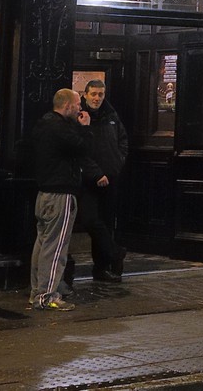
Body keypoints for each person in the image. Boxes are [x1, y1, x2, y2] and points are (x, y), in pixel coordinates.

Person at [28, 88, 107, 312]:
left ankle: (36, 291)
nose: (80, 108)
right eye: (77, 104)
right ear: (67, 106)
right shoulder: (60, 128)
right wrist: (86, 128)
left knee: (42, 243)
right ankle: (46, 295)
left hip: (44, 193)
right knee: (56, 248)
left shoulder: (44, 124)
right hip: (61, 194)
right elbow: (84, 147)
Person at [78, 78, 127, 283]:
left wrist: (117, 163)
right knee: (89, 219)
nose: (97, 98)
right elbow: (80, 149)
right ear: (86, 94)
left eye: (101, 94)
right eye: (93, 94)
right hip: (87, 180)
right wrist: (96, 173)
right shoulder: (79, 115)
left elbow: (122, 140)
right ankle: (115, 252)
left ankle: (102, 268)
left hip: (110, 178)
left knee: (106, 223)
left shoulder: (111, 115)